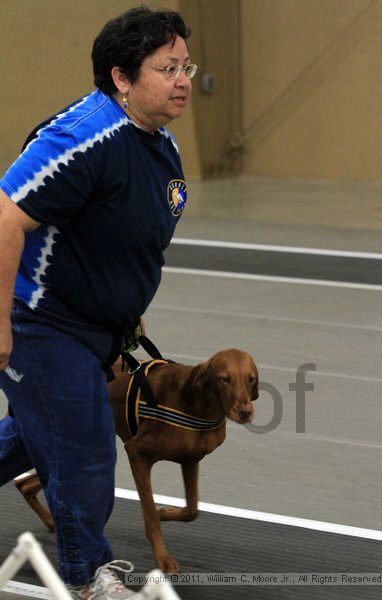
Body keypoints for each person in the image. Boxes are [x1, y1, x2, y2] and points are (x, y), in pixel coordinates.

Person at [0, 5, 196, 598]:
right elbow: (5, 221)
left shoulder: (157, 139)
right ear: (121, 77)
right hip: (40, 322)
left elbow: (126, 235)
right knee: (83, 452)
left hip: (100, 328)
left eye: (187, 64)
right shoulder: (79, 138)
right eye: (167, 68)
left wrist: (125, 310)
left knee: (41, 436)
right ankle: (89, 580)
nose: (184, 78)